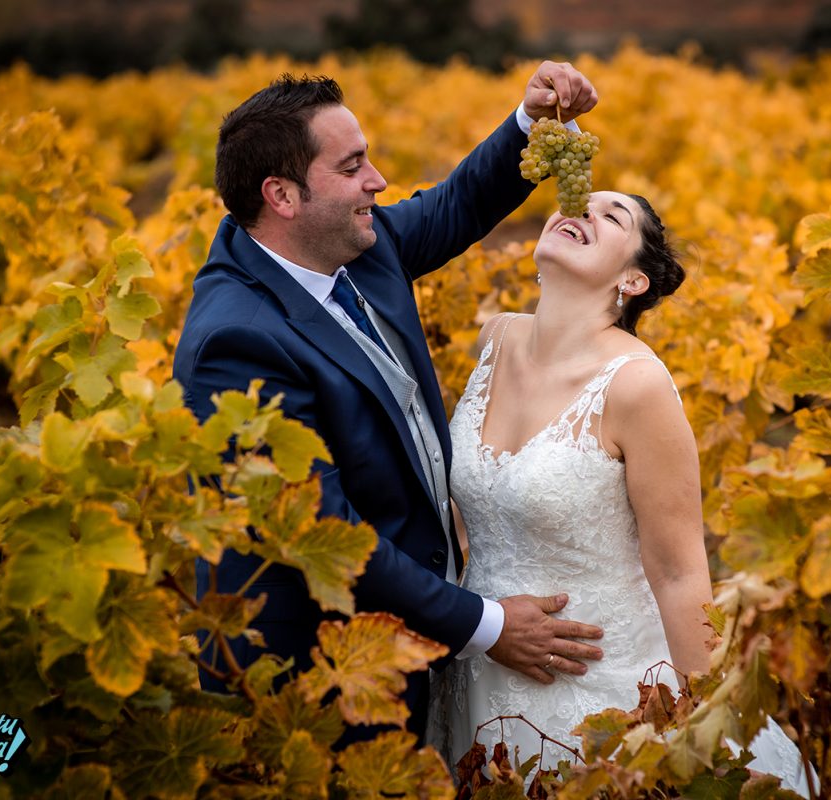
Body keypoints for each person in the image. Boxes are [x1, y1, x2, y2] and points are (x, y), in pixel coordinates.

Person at [171, 64, 607, 743]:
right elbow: (331, 536)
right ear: (281, 195)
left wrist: (530, 122)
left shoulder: (353, 247)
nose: (376, 181)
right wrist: (485, 626)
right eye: (351, 167)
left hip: (409, 636)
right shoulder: (236, 342)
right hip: (319, 684)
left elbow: (457, 202)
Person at [429, 191, 815, 796]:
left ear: (633, 281)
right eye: (578, 205)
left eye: (610, 217)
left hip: (600, 681)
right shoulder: (496, 338)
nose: (581, 215)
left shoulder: (637, 386)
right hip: (483, 658)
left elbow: (680, 571)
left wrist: (702, 720)